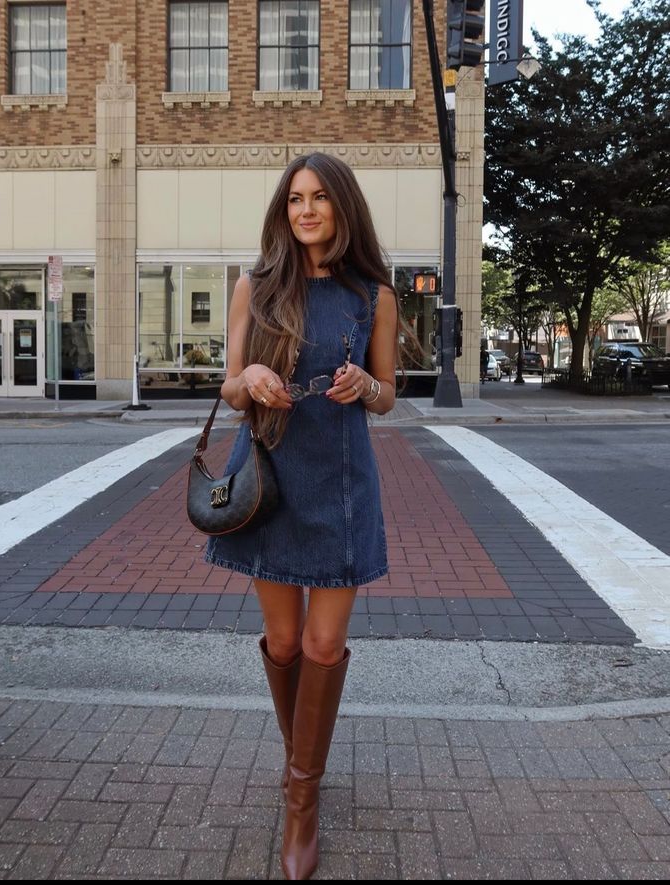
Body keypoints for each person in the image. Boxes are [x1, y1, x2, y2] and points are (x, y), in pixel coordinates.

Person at [205, 152, 411, 880]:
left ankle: (301, 799)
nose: (306, 210)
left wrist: (366, 386)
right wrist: (250, 378)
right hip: (269, 477)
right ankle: (303, 764)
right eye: (294, 198)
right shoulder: (254, 286)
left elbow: (391, 393)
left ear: (342, 206)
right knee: (285, 644)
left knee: (324, 648)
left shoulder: (371, 295)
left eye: (319, 197)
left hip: (342, 481)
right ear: (282, 209)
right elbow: (229, 386)